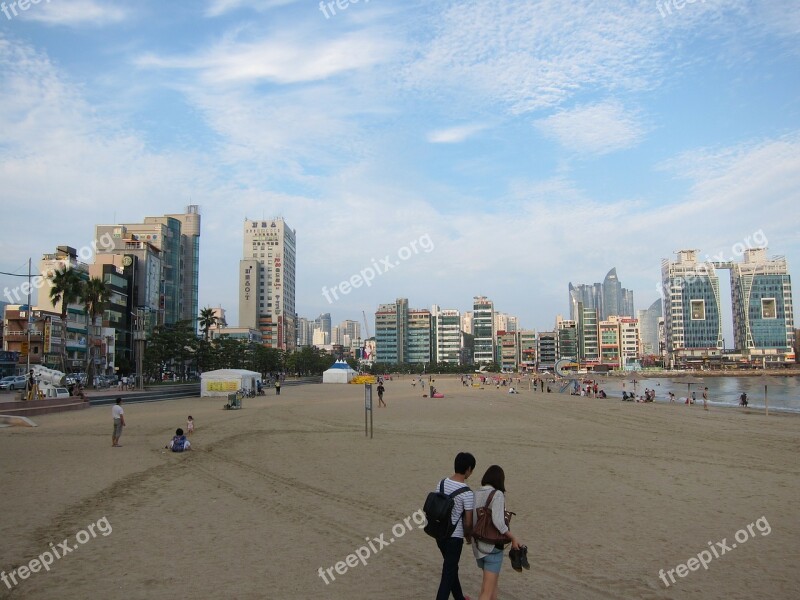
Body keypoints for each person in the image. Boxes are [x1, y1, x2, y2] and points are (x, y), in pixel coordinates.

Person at [472, 465, 525, 600]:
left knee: (492, 589)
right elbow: (499, 523)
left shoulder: (476, 493)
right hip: (492, 547)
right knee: (486, 592)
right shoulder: (498, 494)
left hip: (478, 546)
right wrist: (513, 538)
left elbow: (472, 519)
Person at [434, 452, 475, 600]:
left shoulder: (442, 483)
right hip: (454, 537)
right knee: (448, 573)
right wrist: (469, 536)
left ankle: (459, 598)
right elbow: (468, 522)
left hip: (439, 534)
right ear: (468, 469)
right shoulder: (467, 493)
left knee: (451, 569)